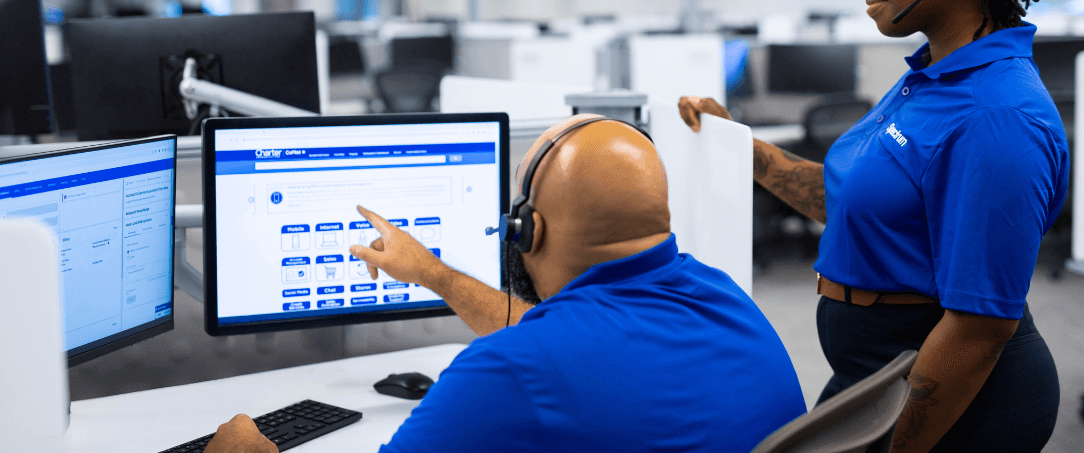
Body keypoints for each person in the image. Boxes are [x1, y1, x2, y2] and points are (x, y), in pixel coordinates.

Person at [680, 0, 1066, 453]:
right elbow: (853, 204)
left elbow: (979, 329)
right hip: (875, 372)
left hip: (958, 397)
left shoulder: (997, 116)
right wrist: (744, 148)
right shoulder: (929, 79)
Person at [205, 114, 807, 453]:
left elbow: (538, 352)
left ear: (527, 230)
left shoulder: (514, 367)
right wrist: (435, 275)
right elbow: (564, 338)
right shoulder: (724, 297)